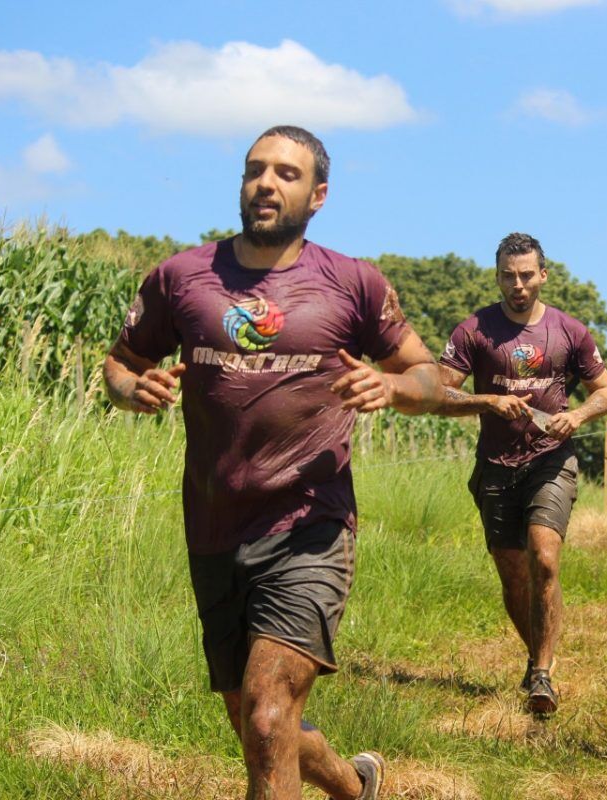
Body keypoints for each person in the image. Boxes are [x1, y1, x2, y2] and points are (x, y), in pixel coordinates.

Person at [103, 126, 444, 798]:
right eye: (255, 170)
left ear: (318, 195)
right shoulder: (181, 277)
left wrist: (393, 387)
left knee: (266, 714)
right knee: (254, 719)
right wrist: (131, 391)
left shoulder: (353, 282)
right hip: (213, 526)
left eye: (286, 174)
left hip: (309, 524)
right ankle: (355, 788)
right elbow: (121, 363)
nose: (266, 182)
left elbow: (427, 375)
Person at [436, 232, 607, 716]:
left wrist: (577, 417)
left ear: (543, 275)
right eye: (507, 276)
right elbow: (438, 393)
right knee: (514, 576)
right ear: (497, 277)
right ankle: (538, 656)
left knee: (544, 557)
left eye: (525, 275)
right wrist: (487, 400)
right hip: (495, 467)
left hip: (550, 460)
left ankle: (541, 672)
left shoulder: (570, 331)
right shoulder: (473, 331)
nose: (517, 284)